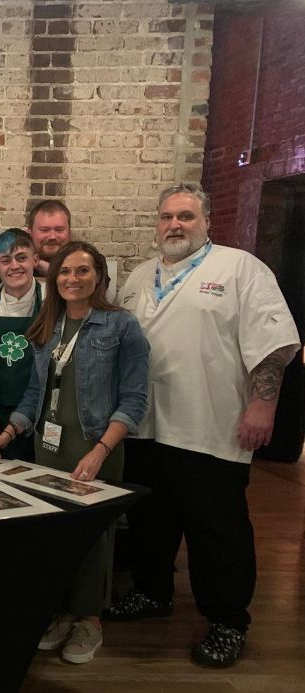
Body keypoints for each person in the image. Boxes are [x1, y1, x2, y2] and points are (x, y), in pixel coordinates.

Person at [109, 184, 300, 668]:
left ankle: (228, 621)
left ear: (207, 221)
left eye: (186, 217)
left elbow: (275, 344)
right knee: (153, 523)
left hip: (210, 428)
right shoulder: (137, 276)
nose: (175, 225)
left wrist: (263, 408)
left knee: (217, 532)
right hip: (146, 426)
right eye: (167, 217)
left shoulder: (240, 269)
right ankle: (154, 593)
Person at [0, 241, 150, 664]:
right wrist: (7, 433)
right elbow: (37, 392)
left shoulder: (121, 326)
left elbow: (133, 400)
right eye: (64, 272)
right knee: (57, 533)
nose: (72, 279)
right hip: (50, 447)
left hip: (95, 446)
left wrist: (100, 450)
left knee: (93, 536)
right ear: (53, 278)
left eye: (82, 271)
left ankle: (89, 622)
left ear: (99, 276)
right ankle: (62, 612)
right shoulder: (49, 324)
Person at [0, 228, 44, 460]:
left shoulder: (53, 298)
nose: (14, 266)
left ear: (35, 260)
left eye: (21, 257)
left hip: (39, 410)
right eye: (5, 260)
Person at [0, 200, 72, 288]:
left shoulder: (84, 268)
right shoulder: (8, 272)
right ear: (29, 233)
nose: (52, 237)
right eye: (44, 230)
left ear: (69, 233)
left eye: (59, 230)